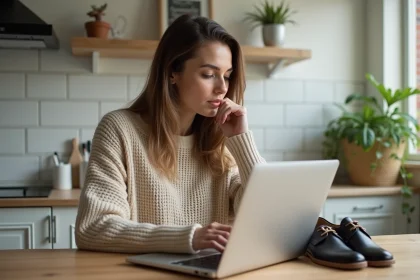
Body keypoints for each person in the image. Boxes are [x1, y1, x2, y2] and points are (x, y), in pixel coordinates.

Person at [75, 14, 266, 254]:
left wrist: (241, 140)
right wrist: (190, 237)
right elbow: (93, 228)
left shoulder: (223, 141)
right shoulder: (119, 129)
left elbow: (267, 216)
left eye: (227, 76)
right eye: (208, 74)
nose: (222, 88)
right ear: (172, 72)